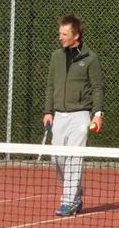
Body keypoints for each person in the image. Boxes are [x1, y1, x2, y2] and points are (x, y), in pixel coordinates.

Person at [43, 14, 105, 217]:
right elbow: (51, 86)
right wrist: (48, 111)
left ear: (76, 35)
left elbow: (97, 88)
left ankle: (68, 201)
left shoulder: (91, 59)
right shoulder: (55, 57)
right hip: (59, 116)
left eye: (64, 33)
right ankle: (76, 193)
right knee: (57, 158)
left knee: (74, 159)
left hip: (81, 116)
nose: (60, 37)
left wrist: (97, 114)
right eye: (59, 33)